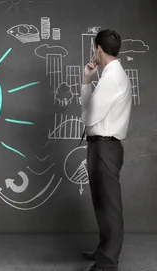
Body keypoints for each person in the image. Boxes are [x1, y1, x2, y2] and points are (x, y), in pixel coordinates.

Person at [80, 29, 132, 271]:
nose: (94, 53)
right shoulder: (112, 74)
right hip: (103, 147)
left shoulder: (111, 78)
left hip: (104, 147)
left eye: (94, 48)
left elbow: (89, 116)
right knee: (103, 204)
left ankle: (107, 264)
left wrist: (86, 83)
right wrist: (90, 81)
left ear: (98, 49)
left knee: (108, 206)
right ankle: (104, 252)